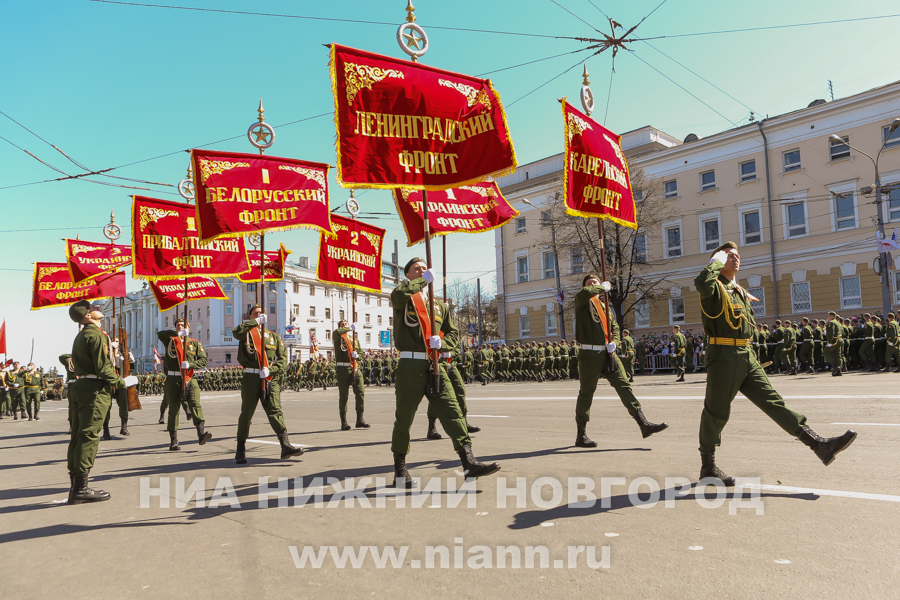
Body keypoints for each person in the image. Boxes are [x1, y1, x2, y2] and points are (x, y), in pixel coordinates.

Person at [694, 242, 857, 485]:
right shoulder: (714, 287)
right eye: (729, 255)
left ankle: (819, 445)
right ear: (717, 259)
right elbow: (701, 283)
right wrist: (715, 262)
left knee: (774, 401)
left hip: (745, 354)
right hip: (724, 354)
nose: (735, 258)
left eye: (737, 255)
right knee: (716, 412)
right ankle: (708, 467)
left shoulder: (739, 290)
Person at [390, 257, 499, 488]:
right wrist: (422, 281)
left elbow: (453, 333)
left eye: (424, 269)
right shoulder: (404, 297)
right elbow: (399, 295)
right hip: (410, 365)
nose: (421, 271)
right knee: (404, 419)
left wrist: (443, 343)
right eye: (416, 269)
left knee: (453, 411)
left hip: (436, 364)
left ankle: (469, 463)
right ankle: (400, 471)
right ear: (407, 275)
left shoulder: (439, 306)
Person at [573, 273, 668, 447]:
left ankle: (643, 424)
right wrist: (601, 286)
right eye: (589, 283)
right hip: (589, 354)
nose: (593, 284)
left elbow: (615, 328)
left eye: (596, 282)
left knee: (624, 385)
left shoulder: (605, 308)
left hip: (608, 353)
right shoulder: (583, 303)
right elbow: (582, 294)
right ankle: (581, 435)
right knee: (586, 393)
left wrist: (615, 344)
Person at [66, 300, 137, 504]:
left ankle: (75, 484)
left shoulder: (82, 335)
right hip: (95, 390)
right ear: (88, 316)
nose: (97, 310)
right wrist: (121, 382)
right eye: (93, 310)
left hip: (81, 387)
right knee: (88, 435)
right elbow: (102, 367)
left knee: (78, 435)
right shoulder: (96, 335)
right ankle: (81, 489)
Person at [232, 304, 304, 464]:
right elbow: (236, 332)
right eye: (255, 313)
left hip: (269, 378)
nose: (259, 315)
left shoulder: (274, 337)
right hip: (251, 377)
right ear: (250, 316)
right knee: (246, 414)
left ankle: (285, 446)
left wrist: (271, 371)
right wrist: (255, 322)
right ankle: (240, 450)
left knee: (275, 411)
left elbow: (283, 359)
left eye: (261, 313)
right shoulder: (246, 333)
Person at [157, 319, 212, 451]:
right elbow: (160, 334)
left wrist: (191, 365)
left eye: (183, 326)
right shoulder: (170, 341)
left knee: (195, 404)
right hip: (173, 378)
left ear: (188, 327)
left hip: (189, 378)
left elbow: (203, 360)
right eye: (178, 326)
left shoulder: (194, 343)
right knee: (174, 410)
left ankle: (201, 434)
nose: (180, 327)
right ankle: (174, 441)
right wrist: (177, 333)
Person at [333, 319, 368, 430]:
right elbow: (336, 332)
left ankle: (360, 419)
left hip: (355, 367)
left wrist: (358, 355)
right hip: (343, 369)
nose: (344, 326)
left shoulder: (354, 340)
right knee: (344, 396)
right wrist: (349, 328)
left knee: (360, 392)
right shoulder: (338, 337)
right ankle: (344, 422)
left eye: (346, 324)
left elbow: (361, 353)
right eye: (342, 325)